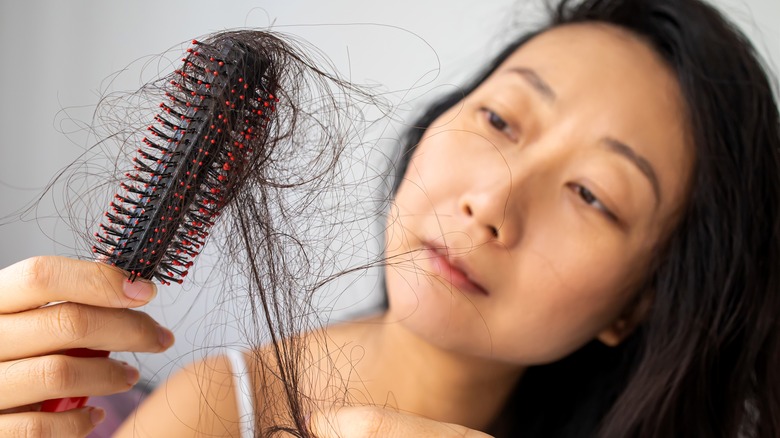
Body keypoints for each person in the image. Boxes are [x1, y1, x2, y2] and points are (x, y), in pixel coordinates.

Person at [1, 0, 779, 436]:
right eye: (502, 121)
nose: (490, 206)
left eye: (592, 196)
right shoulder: (211, 415)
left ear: (639, 306)